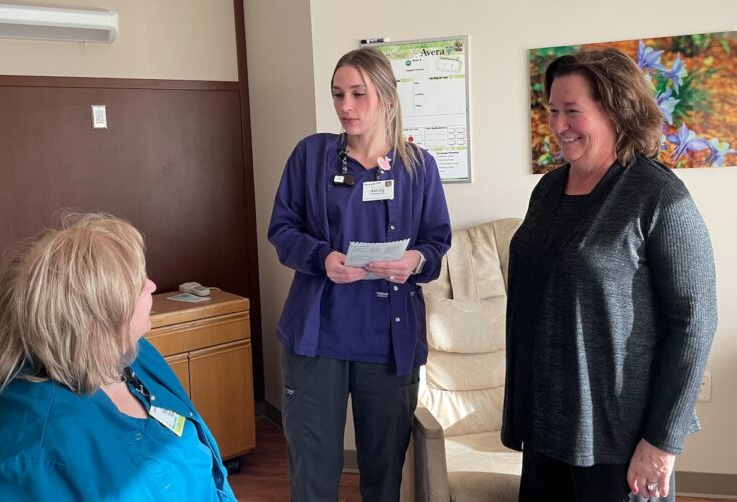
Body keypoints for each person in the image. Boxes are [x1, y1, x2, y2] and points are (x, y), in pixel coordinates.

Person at [502, 48, 717, 502]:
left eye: (572, 112)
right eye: (552, 110)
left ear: (618, 112)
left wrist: (662, 442)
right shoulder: (547, 189)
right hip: (545, 426)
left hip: (619, 439)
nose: (557, 125)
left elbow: (695, 322)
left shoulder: (659, 197)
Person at [268, 47, 451, 501]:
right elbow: (282, 229)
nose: (345, 106)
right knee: (313, 472)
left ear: (387, 98)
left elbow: (436, 243)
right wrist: (322, 259)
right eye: (337, 95)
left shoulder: (419, 167)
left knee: (384, 475)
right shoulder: (311, 156)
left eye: (357, 94)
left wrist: (415, 262)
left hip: (387, 344)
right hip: (317, 337)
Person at [0, 213, 237, 501]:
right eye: (137, 284)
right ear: (96, 318)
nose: (152, 286)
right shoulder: (29, 460)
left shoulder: (137, 356)